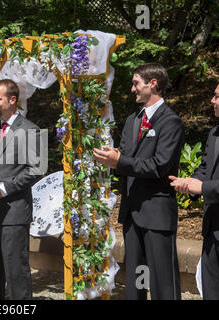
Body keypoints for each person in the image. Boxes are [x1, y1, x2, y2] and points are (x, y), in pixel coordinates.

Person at [93, 63, 184, 300]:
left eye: (136, 83)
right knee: (137, 280)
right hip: (132, 213)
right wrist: (109, 158)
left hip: (157, 213)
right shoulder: (133, 119)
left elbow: (159, 165)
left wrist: (120, 161)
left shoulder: (170, 121)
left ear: (152, 83)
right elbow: (125, 156)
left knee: (164, 283)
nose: (132, 89)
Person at [0, 79, 42, 300]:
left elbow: (35, 169)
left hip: (13, 210)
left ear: (12, 100)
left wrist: (2, 190)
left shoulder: (30, 129)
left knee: (15, 271)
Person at [169, 84, 219, 299]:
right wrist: (191, 182)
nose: (212, 101)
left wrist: (204, 187)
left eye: (217, 96)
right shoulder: (215, 133)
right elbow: (206, 167)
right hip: (213, 228)